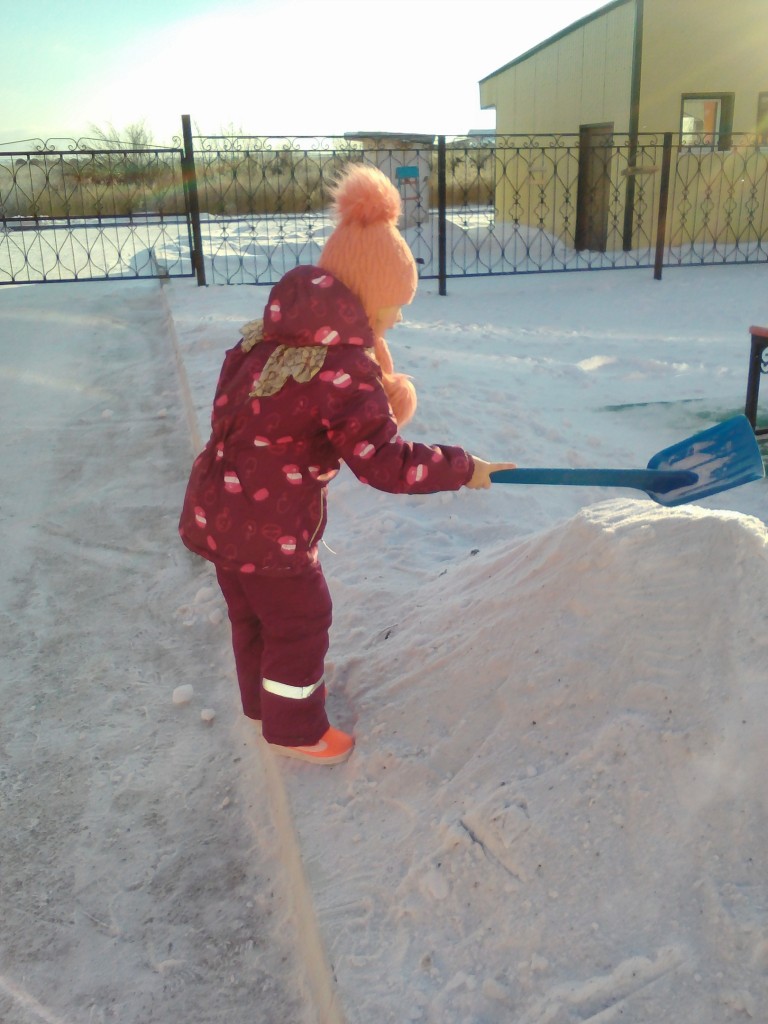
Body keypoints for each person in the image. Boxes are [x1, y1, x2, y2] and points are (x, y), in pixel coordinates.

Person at [178, 163, 513, 765]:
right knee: (301, 621)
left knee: (253, 617)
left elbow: (259, 416)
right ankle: (296, 730)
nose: (399, 318)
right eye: (393, 305)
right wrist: (464, 468)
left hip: (217, 511)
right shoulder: (343, 368)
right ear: (363, 298)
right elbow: (385, 463)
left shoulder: (262, 340)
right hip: (272, 530)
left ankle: (263, 705)